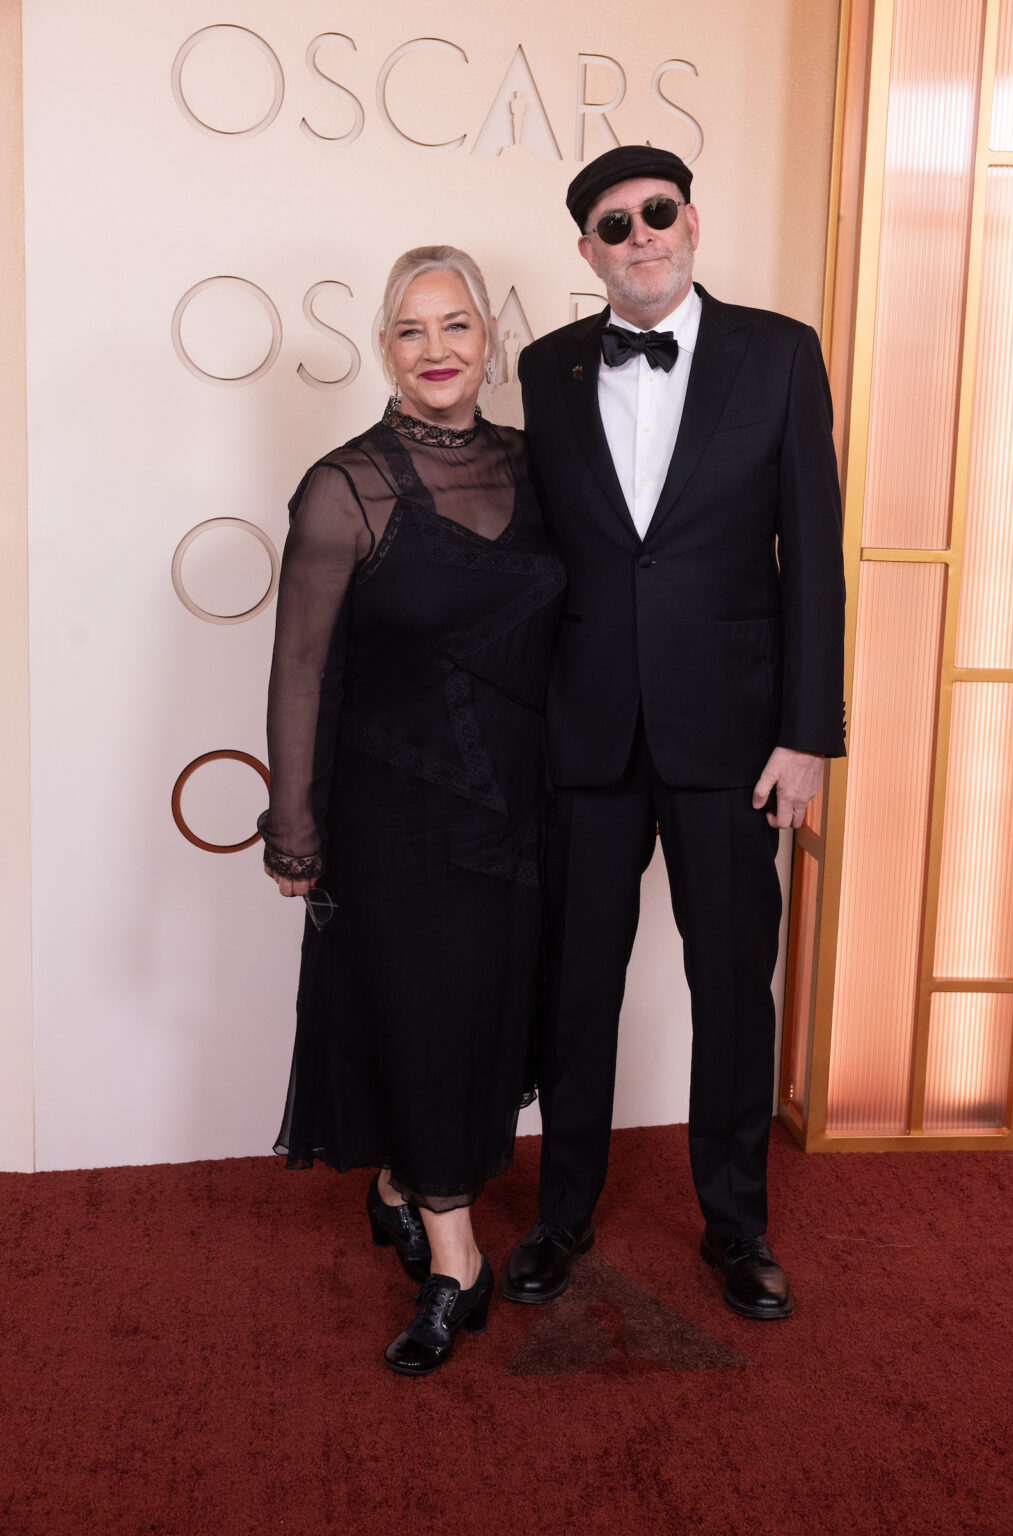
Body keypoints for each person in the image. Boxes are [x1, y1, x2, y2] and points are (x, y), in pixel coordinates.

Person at [502, 146, 845, 1321]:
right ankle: (562, 1214)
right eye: (613, 224)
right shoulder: (545, 369)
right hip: (584, 733)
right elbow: (540, 558)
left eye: (657, 212)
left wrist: (806, 734)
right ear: (585, 250)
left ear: (689, 222)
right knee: (574, 989)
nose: (639, 235)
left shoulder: (780, 352)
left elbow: (812, 553)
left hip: (735, 735)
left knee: (731, 991)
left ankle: (734, 1225)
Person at [259, 246, 565, 1374]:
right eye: (409, 331)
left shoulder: (541, 468)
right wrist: (292, 829)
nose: (434, 352)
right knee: (426, 1015)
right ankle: (458, 1263)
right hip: (394, 810)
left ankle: (397, 1180)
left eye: (454, 327)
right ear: (382, 348)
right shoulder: (345, 485)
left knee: (481, 1019)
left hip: (517, 809)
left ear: (486, 337)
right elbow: (299, 667)